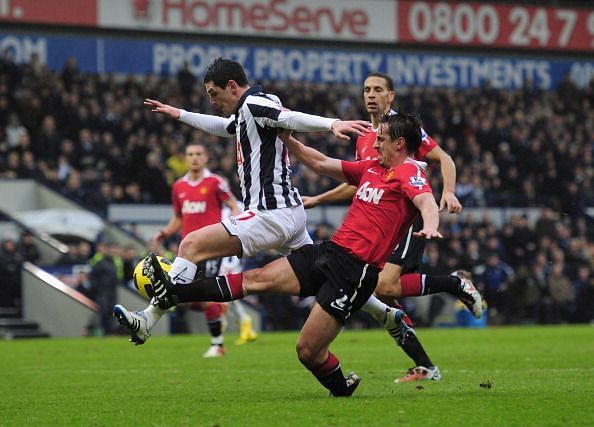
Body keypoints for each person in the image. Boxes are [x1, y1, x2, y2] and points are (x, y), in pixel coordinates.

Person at [131, 113, 443, 396]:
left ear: (400, 144)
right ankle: (173, 292)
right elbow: (321, 163)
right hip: (329, 252)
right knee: (255, 279)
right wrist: (288, 139)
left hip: (355, 272)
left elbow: (426, 202)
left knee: (307, 350)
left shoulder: (408, 171)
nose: (375, 144)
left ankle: (341, 387)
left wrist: (430, 225)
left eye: (382, 139)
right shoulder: (373, 167)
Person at [113, 57, 369, 345]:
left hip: (270, 213)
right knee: (326, 273)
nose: (212, 101)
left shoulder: (253, 104)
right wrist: (179, 114)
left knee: (191, 245)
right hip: (290, 212)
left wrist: (332, 123)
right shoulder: (249, 110)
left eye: (214, 93)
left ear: (232, 86)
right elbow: (224, 127)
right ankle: (387, 315)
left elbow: (290, 118)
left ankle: (148, 319)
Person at [302, 72, 482, 383]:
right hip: (377, 221)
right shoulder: (363, 135)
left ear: (391, 96)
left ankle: (454, 283)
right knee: (383, 297)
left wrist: (448, 190)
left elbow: (444, 158)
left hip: (405, 214)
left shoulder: (402, 129)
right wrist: (318, 199)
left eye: (378, 90)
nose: (371, 95)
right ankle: (425, 364)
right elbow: (359, 180)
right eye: (366, 89)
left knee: (384, 287)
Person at [151, 140, 256, 357]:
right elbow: (179, 218)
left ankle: (217, 344)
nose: (195, 158)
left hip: (210, 249)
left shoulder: (216, 182)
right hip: (186, 250)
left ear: (206, 157)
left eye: (199, 154)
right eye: (190, 154)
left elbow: (234, 205)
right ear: (185, 158)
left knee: (201, 295)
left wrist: (235, 227)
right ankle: (219, 312)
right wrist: (163, 233)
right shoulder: (178, 186)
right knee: (185, 299)